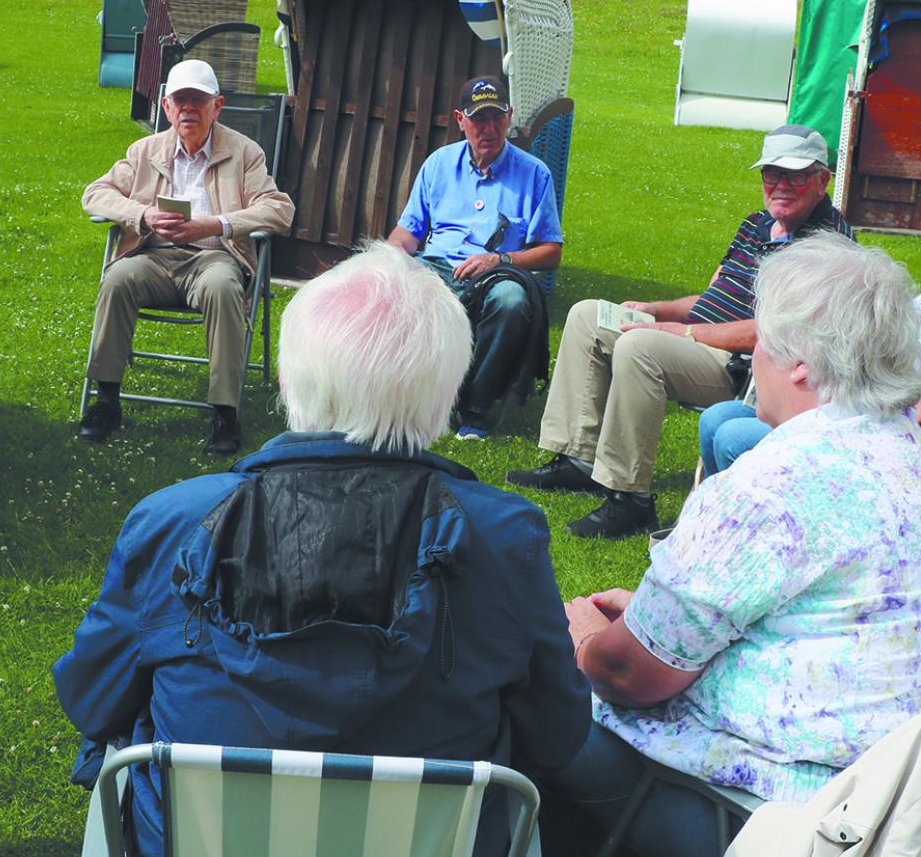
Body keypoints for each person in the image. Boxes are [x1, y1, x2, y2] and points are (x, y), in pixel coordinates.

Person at [54, 242, 589, 857]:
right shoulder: (502, 537)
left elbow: (90, 698)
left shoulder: (173, 521)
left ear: (286, 378)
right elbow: (556, 738)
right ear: (447, 392)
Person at [542, 238, 921, 857]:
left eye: (765, 336)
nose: (754, 351)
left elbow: (627, 675)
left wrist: (579, 643)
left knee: (530, 691)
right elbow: (839, 617)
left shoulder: (771, 486)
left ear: (802, 364)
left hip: (772, 820)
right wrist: (659, 623)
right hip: (910, 808)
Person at [506, 125, 853, 539]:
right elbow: (714, 296)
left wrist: (686, 334)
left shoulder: (827, 246)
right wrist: (657, 309)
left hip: (743, 367)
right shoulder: (757, 224)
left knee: (640, 347)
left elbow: (778, 334)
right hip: (693, 337)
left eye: (795, 175)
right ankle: (579, 459)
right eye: (771, 174)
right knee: (587, 315)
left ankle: (629, 497)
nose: (781, 185)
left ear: (822, 181)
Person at [698, 194, 921, 475]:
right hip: (855, 414)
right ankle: (718, 521)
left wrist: (827, 422)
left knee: (734, 436)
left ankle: (758, 523)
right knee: (717, 417)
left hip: (892, 448)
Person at [76, 59, 295, 455]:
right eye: (181, 101)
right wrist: (140, 215)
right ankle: (106, 401)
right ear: (166, 107)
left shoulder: (245, 153)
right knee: (117, 279)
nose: (189, 109)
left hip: (214, 260)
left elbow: (279, 210)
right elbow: (94, 193)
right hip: (153, 258)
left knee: (223, 287)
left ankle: (225, 413)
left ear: (218, 106)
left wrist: (215, 225)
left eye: (198, 100)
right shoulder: (145, 151)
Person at [387, 74, 563, 439]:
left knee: (512, 301)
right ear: (460, 120)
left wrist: (500, 261)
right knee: (398, 292)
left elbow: (551, 251)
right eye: (479, 119)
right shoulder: (438, 164)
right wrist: (389, 259)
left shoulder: (534, 174)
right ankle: (407, 399)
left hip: (497, 273)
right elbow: (409, 232)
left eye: (497, 117)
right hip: (436, 266)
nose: (489, 128)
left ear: (509, 116)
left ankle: (476, 405)